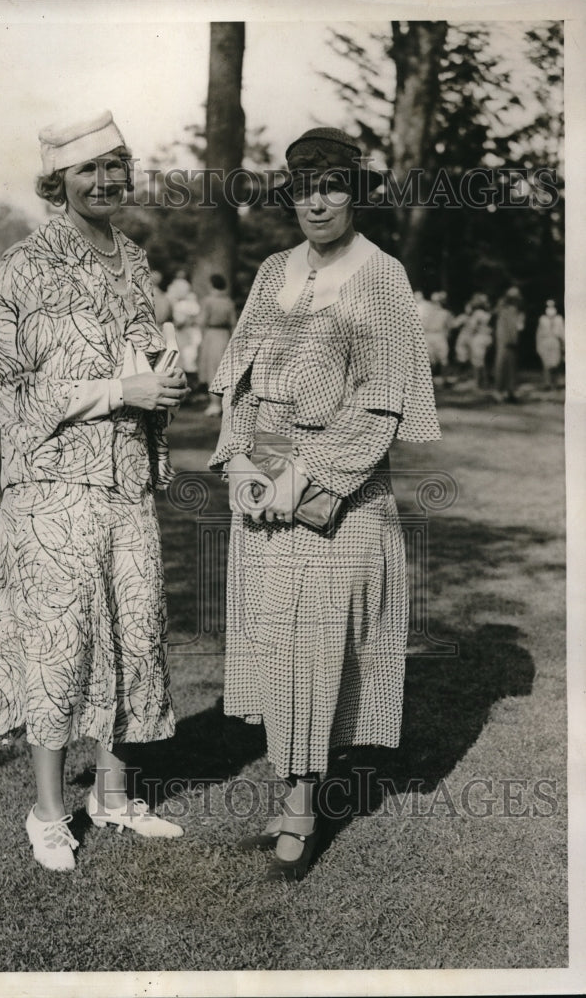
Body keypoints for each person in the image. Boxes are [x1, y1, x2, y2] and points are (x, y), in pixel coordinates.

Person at [208, 126, 440, 882]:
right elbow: (238, 376)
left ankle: (302, 809)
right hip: (262, 490)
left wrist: (301, 475)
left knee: (315, 649)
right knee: (276, 645)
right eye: (304, 187)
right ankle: (290, 785)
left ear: (356, 190)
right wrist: (242, 459)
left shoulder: (382, 277)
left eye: (332, 184)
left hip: (336, 495)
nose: (317, 201)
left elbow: (379, 406)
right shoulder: (274, 268)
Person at [0, 110, 190, 873]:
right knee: (59, 646)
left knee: (135, 633)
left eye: (114, 167)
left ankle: (113, 793)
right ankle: (46, 811)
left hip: (126, 479)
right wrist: (116, 389)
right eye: (86, 171)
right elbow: (10, 393)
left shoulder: (133, 260)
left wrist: (162, 385)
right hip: (54, 485)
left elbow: (142, 362)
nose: (104, 182)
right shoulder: (24, 265)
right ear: (56, 182)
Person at [198, 273, 237, 416]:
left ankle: (214, 404)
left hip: (212, 335)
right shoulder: (228, 302)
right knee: (223, 369)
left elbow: (202, 321)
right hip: (225, 336)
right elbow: (233, 323)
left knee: (212, 369)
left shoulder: (208, 301)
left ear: (211, 285)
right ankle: (224, 404)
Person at [493, 286, 526, 402]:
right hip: (504, 340)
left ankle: (510, 390)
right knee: (501, 365)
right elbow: (503, 326)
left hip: (512, 341)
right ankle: (499, 391)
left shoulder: (516, 311)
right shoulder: (503, 309)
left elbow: (519, 327)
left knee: (511, 365)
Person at [421, 291, 451, 385]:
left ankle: (443, 380)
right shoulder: (425, 311)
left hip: (437, 335)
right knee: (431, 360)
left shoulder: (445, 313)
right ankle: (431, 382)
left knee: (442, 359)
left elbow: (448, 326)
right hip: (430, 335)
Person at [535, 298, 565, 389]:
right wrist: (538, 345)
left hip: (555, 341)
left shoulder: (559, 319)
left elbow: (562, 332)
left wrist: (564, 345)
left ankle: (557, 382)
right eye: (548, 306)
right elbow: (539, 333)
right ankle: (547, 383)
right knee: (546, 363)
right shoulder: (542, 319)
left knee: (556, 362)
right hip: (545, 342)